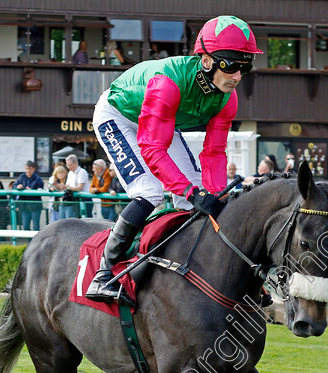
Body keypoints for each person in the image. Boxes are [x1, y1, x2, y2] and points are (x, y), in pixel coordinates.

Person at [87, 15, 261, 305]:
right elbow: (153, 149)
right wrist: (193, 193)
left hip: (161, 121)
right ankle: (104, 274)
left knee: (199, 195)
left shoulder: (227, 99)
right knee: (150, 192)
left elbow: (214, 153)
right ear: (206, 61)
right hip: (118, 116)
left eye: (245, 67)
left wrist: (212, 195)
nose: (237, 76)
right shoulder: (168, 83)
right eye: (230, 65)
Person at [15, 161, 44, 231]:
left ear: (34, 169)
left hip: (35, 206)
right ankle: (28, 241)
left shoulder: (38, 179)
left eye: (30, 169)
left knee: (35, 225)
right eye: (27, 169)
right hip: (24, 206)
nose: (28, 171)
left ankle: (36, 242)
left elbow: (40, 189)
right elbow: (15, 185)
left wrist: (32, 190)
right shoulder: (22, 177)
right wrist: (18, 186)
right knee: (25, 225)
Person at [63, 154, 89, 219]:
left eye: (70, 165)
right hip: (74, 201)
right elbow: (67, 185)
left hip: (84, 200)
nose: (68, 167)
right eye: (67, 165)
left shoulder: (82, 172)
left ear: (76, 163)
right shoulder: (70, 173)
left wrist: (68, 188)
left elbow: (80, 187)